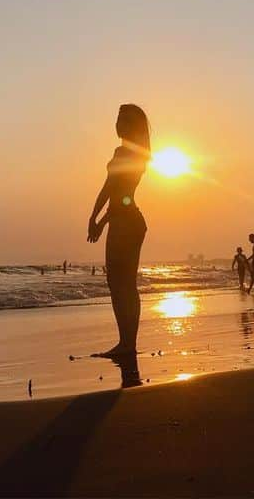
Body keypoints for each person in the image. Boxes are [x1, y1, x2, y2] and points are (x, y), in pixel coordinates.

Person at [87, 104, 150, 357]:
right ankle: (126, 343)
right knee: (122, 284)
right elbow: (108, 188)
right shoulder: (125, 152)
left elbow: (119, 195)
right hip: (126, 220)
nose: (117, 123)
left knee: (120, 284)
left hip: (125, 221)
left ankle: (127, 344)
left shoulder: (129, 155)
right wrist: (95, 216)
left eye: (122, 119)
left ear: (132, 125)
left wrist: (100, 221)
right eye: (116, 118)